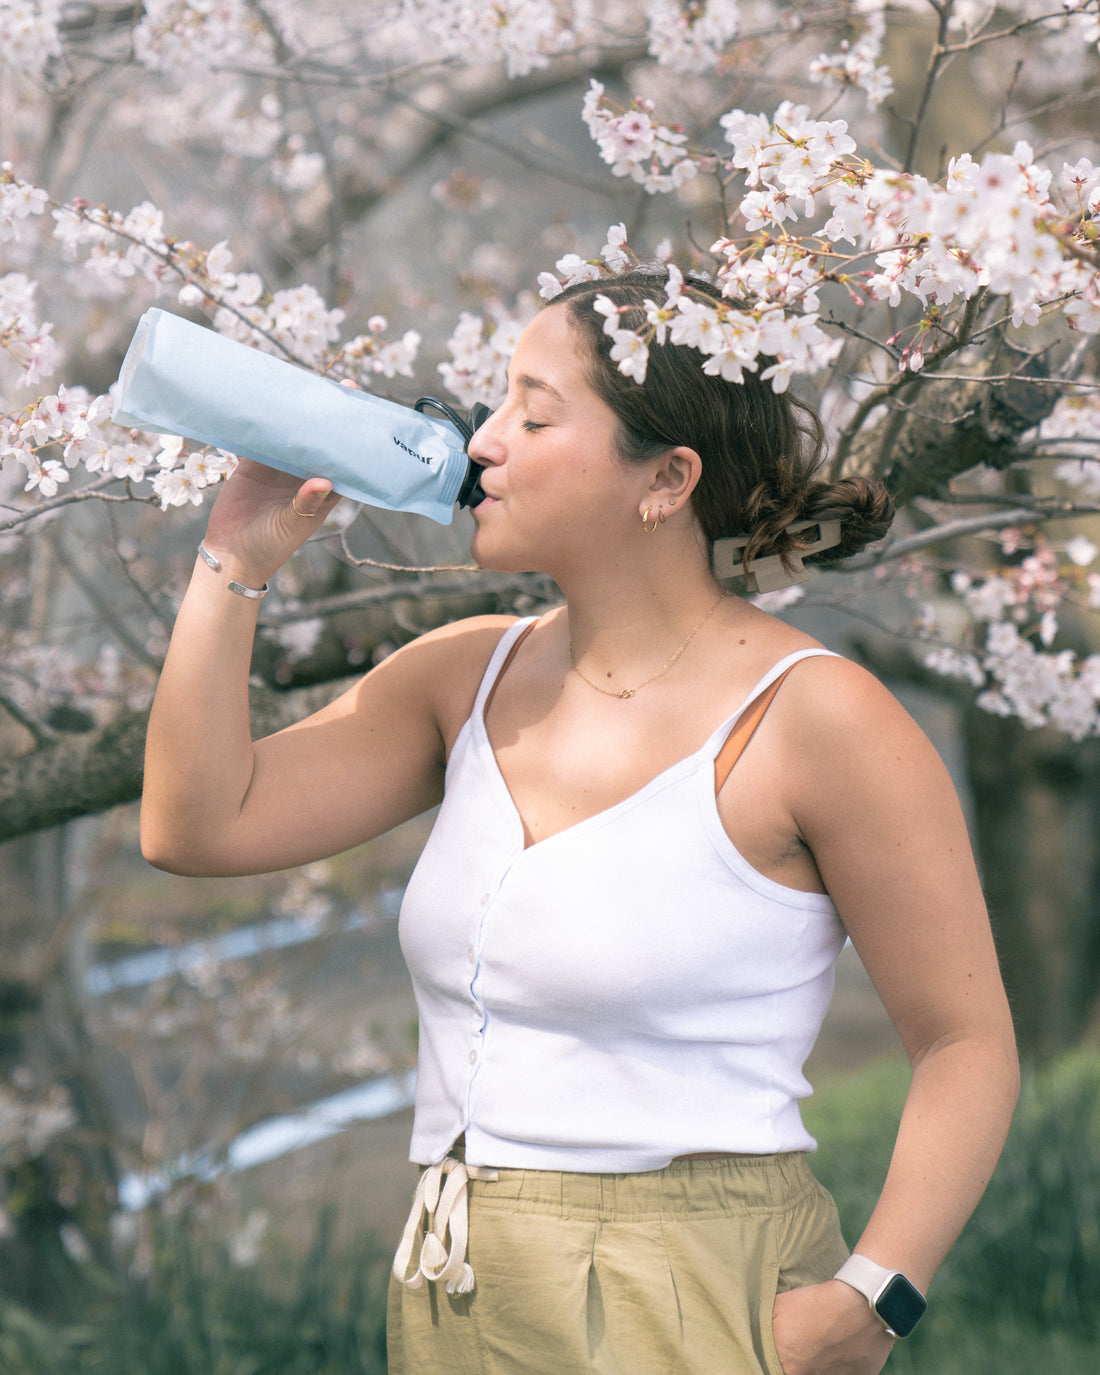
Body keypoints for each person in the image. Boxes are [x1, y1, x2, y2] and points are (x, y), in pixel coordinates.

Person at [140, 267, 1019, 1375]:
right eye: (497, 404)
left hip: (699, 1285)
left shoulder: (815, 718)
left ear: (666, 478)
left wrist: (872, 1297)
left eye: (534, 413)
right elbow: (196, 826)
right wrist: (232, 560)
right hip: (458, 1280)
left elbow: (962, 1041)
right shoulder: (462, 675)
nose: (482, 442)